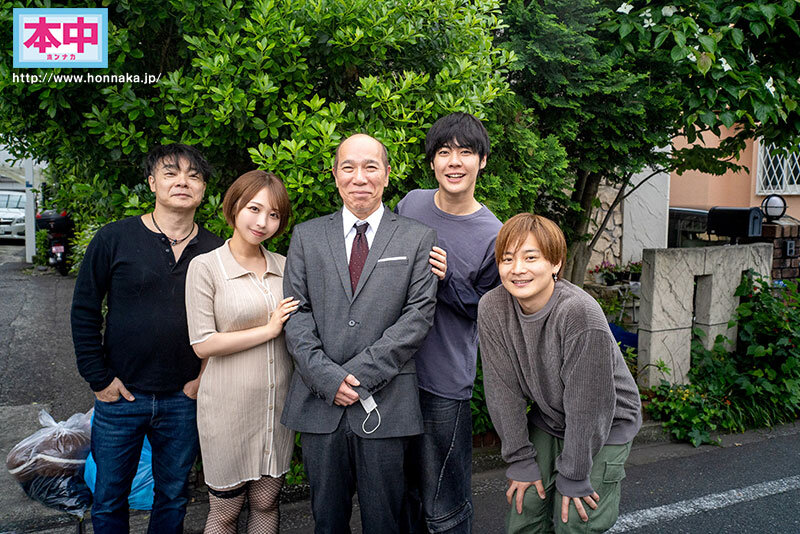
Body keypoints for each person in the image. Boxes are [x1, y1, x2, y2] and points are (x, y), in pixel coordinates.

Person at [281, 133, 438, 533]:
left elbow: (418, 316)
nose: (359, 177)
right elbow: (296, 314)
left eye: (371, 167)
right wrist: (328, 379)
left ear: (387, 173)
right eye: (348, 167)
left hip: (387, 403)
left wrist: (358, 375)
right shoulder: (306, 236)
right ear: (335, 174)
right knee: (327, 521)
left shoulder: (417, 237)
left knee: (386, 520)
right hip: (320, 404)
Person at [71, 144, 224, 533]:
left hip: (183, 398)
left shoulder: (216, 250)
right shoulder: (114, 238)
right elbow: (84, 310)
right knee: (109, 498)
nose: (182, 182)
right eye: (171, 173)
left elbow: (225, 323)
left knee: (172, 496)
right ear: (153, 182)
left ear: (203, 189)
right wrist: (99, 379)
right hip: (121, 396)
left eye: (193, 175)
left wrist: (202, 379)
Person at [476, 213, 642, 533]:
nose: (517, 268)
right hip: (551, 416)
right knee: (525, 507)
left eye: (530, 257)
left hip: (606, 421)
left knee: (575, 520)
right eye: (507, 259)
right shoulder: (493, 308)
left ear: (555, 263)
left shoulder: (579, 313)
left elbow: (588, 405)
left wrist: (575, 475)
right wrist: (520, 460)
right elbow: (502, 390)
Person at [396, 112, 502, 533]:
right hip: (393, 374)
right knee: (401, 496)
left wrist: (448, 278)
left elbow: (489, 313)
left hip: (443, 383)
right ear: (432, 161)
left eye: (465, 152)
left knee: (445, 504)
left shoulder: (494, 235)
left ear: (482, 161)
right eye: (444, 152)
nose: (454, 162)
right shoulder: (411, 204)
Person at [185, 170, 299, 534]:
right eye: (254, 209)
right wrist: (268, 329)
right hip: (227, 409)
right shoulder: (206, 267)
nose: (262, 222)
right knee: (226, 512)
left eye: (274, 214)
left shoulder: (285, 266)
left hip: (276, 407)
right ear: (234, 206)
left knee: (266, 503)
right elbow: (203, 343)